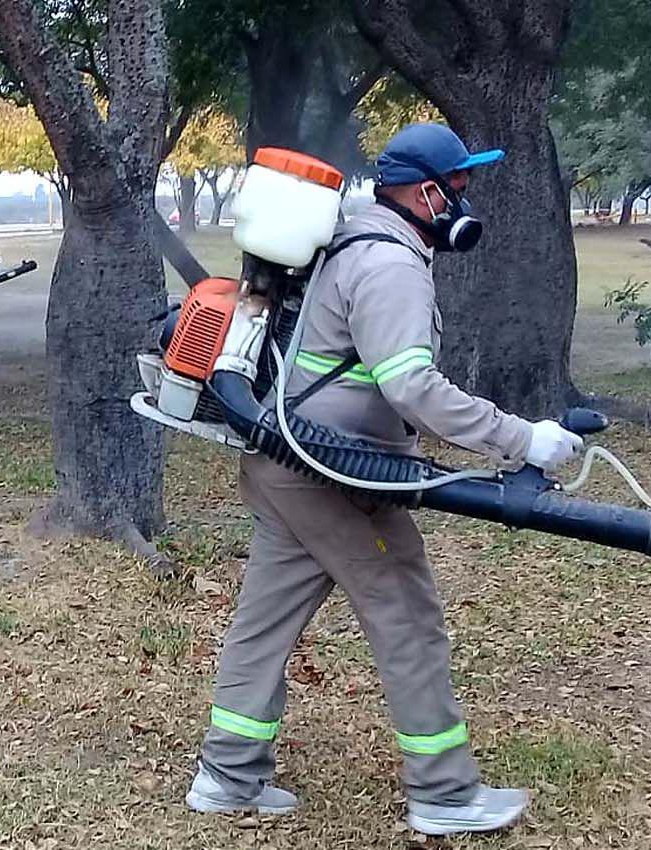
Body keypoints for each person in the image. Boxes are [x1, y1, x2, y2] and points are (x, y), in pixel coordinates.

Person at [185, 124, 585, 836]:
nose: (465, 197)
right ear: (428, 193)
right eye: (459, 185)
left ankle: (228, 774)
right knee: (407, 616)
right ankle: (445, 793)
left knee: (265, 620)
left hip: (285, 464)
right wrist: (522, 438)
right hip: (330, 473)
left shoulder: (348, 241)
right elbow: (415, 389)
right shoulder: (390, 264)